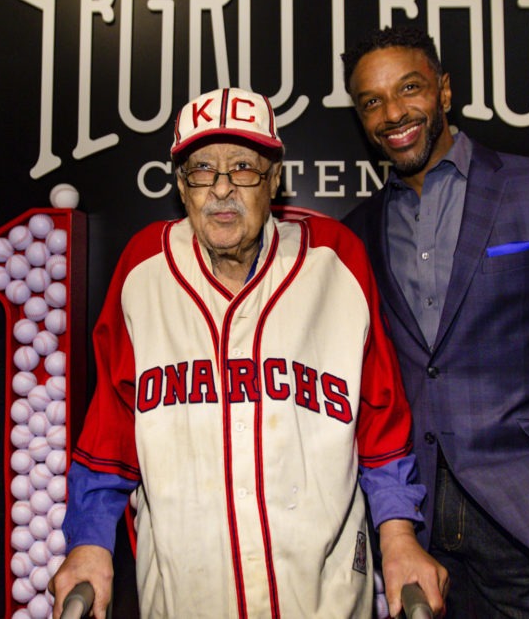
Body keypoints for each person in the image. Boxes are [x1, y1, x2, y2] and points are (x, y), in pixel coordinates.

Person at [49, 87, 447, 618]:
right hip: (185, 594)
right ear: (180, 186)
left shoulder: (336, 261)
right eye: (201, 169)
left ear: (275, 178)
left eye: (242, 167)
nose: (220, 190)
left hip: (321, 592)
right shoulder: (143, 269)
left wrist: (399, 536)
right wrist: (89, 543)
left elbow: (380, 422)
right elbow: (111, 428)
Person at [341, 27, 529, 617]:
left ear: (445, 90)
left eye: (409, 88)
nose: (393, 113)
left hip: (528, 523)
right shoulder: (359, 231)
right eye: (372, 101)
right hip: (415, 533)